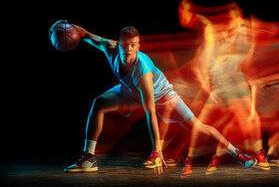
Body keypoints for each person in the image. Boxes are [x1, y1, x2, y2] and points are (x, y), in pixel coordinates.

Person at [60, 22, 256, 173]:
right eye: (125, 45)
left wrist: (157, 150)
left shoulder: (143, 71)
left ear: (138, 46)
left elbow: (150, 112)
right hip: (130, 91)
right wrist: (64, 25)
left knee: (198, 128)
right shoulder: (108, 47)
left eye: (133, 45)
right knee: (100, 102)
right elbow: (84, 34)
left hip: (163, 97)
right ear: (119, 44)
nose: (128, 49)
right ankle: (89, 158)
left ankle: (238, 153)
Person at [178, 1, 269, 176]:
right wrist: (194, 13)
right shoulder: (215, 32)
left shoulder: (244, 32)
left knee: (248, 119)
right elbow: (205, 26)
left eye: (233, 15)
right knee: (201, 124)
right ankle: (191, 160)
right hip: (219, 86)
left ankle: (257, 154)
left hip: (236, 84)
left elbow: (246, 59)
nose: (229, 19)